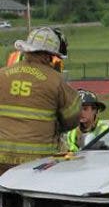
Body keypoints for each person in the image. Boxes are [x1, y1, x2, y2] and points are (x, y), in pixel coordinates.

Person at [0, 27, 80, 175]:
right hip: (36, 162)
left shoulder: (2, 75)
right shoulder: (55, 81)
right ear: (48, 55)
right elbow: (73, 119)